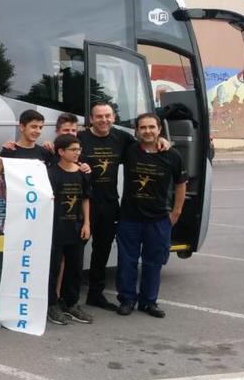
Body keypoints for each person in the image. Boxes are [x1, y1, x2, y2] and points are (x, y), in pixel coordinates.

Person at [78, 101, 169, 312]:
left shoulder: (122, 138)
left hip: (109, 204)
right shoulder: (80, 138)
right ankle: (67, 298)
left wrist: (163, 140)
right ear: (91, 119)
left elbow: (146, 143)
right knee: (75, 253)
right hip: (83, 203)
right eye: (99, 116)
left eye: (108, 116)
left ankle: (95, 294)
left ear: (114, 117)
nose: (104, 120)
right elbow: (60, 151)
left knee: (101, 250)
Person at [116, 113, 186, 319]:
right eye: (143, 128)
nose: (147, 131)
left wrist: (177, 211)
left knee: (153, 262)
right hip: (129, 218)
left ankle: (148, 302)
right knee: (126, 261)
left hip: (158, 219)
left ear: (159, 130)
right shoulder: (129, 149)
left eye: (151, 127)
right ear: (137, 131)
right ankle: (127, 300)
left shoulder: (173, 155)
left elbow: (181, 184)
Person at [46, 134, 93, 326]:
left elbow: (85, 199)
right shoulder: (50, 173)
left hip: (76, 228)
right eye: (73, 149)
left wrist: (87, 223)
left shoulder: (82, 172)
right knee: (53, 269)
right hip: (56, 229)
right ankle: (52, 305)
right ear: (61, 152)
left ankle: (71, 304)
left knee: (75, 268)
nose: (77, 153)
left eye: (78, 149)